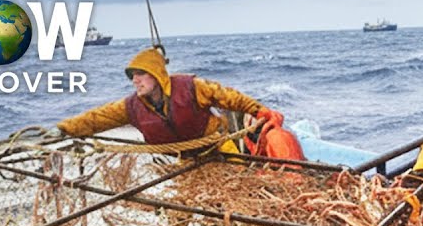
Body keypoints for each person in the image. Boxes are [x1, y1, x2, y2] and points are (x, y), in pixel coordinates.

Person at [47, 47, 284, 155]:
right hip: (185, 158)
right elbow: (97, 118)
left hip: (218, 145)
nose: (135, 81)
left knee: (238, 189)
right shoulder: (131, 107)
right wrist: (64, 129)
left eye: (140, 74)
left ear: (157, 76)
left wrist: (259, 110)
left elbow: (230, 97)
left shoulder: (192, 88)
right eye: (132, 76)